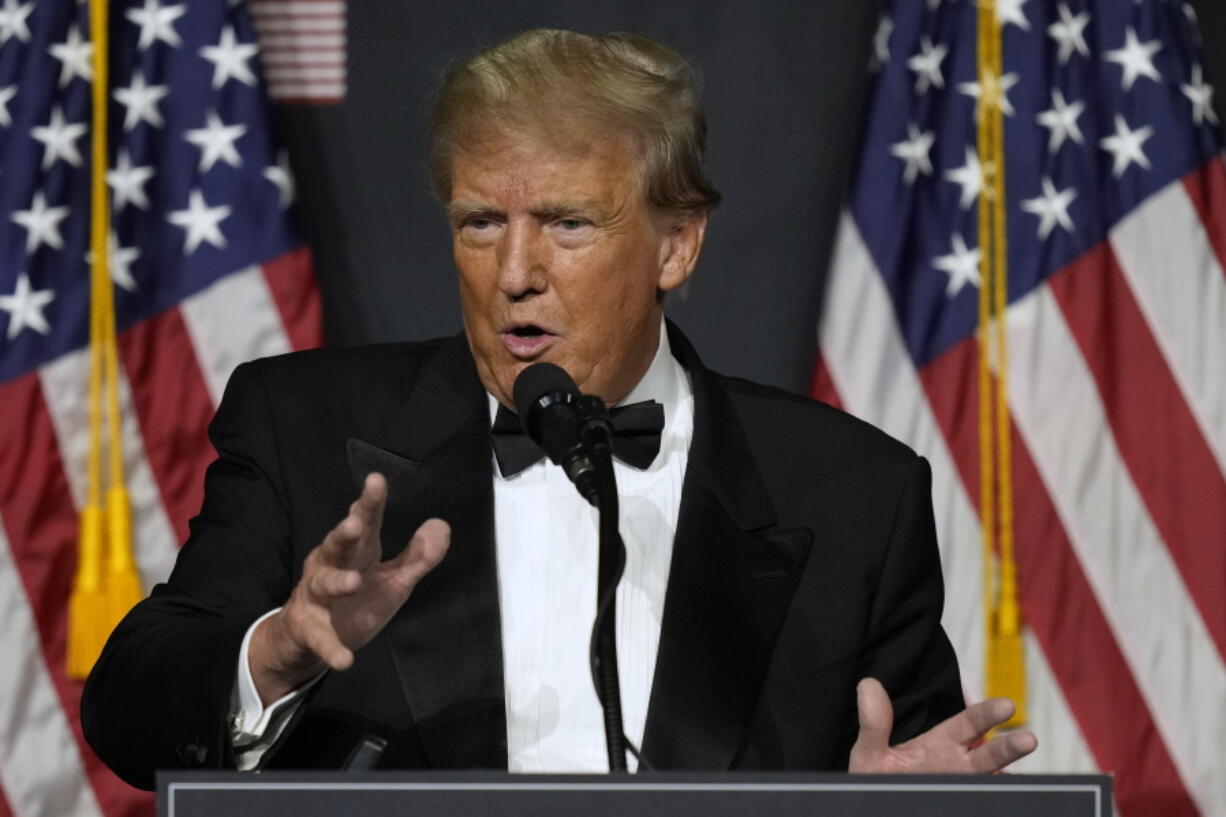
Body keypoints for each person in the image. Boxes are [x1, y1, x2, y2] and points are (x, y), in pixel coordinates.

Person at [82, 29, 1036, 790]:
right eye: (480, 223)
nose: (515, 275)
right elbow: (129, 708)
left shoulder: (852, 496)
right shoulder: (306, 431)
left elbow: (911, 767)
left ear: (676, 246)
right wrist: (280, 648)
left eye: (569, 224)